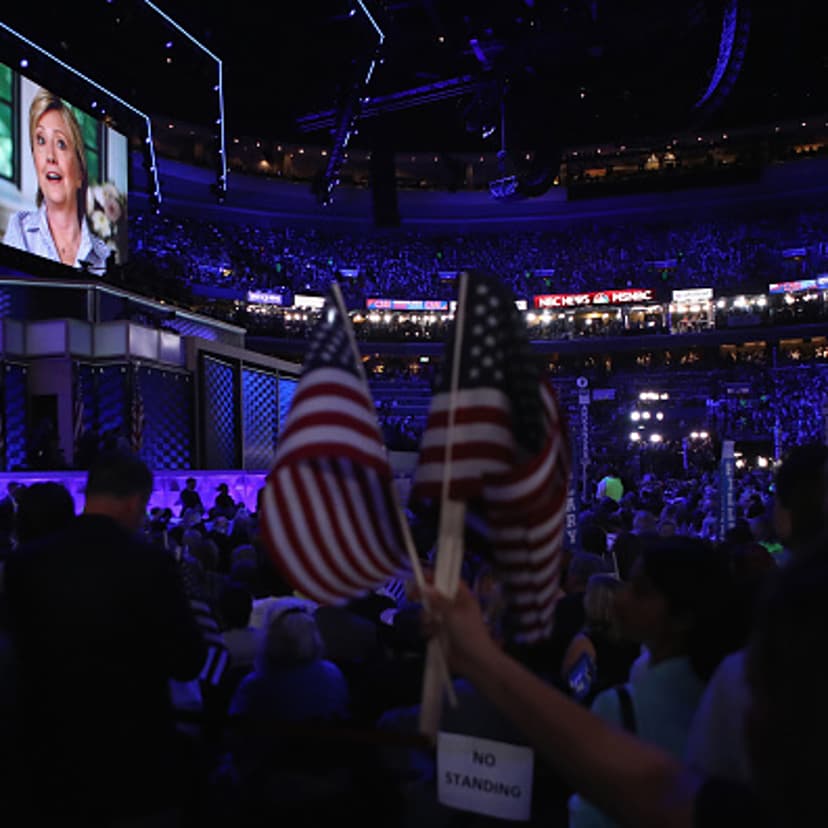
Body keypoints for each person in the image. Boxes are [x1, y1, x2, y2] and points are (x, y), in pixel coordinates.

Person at [418, 553, 828, 828]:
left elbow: (654, 789)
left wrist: (479, 658)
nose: (623, 596)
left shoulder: (629, 702)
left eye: (642, 589)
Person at [4, 451, 207, 824]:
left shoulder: (25, 563)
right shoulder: (149, 563)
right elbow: (187, 659)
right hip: (131, 758)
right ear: (135, 502)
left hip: (46, 755)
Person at [2, 87, 110, 274]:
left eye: (61, 144)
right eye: (41, 141)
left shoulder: (102, 254)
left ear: (80, 173)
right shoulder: (20, 228)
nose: (50, 156)